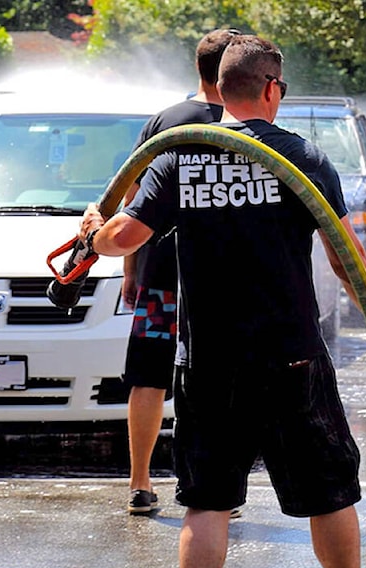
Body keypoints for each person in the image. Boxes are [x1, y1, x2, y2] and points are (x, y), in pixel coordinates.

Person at [79, 34, 366, 568]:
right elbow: (347, 259)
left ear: (219, 90)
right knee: (329, 494)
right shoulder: (301, 157)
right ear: (271, 89)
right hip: (292, 355)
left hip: (210, 358)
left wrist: (93, 232)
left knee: (206, 502)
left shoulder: (181, 157)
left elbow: (125, 238)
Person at [117, 28, 238, 515]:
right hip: (223, 279)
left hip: (160, 270)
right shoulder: (243, 125)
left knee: (149, 374)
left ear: (198, 69)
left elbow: (130, 198)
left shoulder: (166, 122)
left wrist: (131, 268)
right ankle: (215, 489)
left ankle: (140, 483)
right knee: (220, 377)